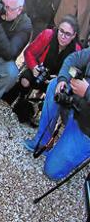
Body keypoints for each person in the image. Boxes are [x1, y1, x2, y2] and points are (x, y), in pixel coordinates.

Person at [24, 49, 90, 181]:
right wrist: (63, 79)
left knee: (51, 171)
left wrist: (87, 92)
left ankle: (70, 145)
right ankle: (43, 141)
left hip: (86, 128)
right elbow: (73, 58)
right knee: (55, 84)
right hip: (77, 104)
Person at [2, 15, 81, 124]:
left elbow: (74, 72)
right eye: (61, 31)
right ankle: (22, 99)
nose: (63, 36)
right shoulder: (48, 35)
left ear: (74, 36)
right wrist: (34, 67)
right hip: (39, 72)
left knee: (56, 94)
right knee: (25, 80)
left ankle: (41, 113)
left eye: (68, 34)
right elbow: (29, 52)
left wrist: (61, 78)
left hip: (56, 81)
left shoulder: (77, 51)